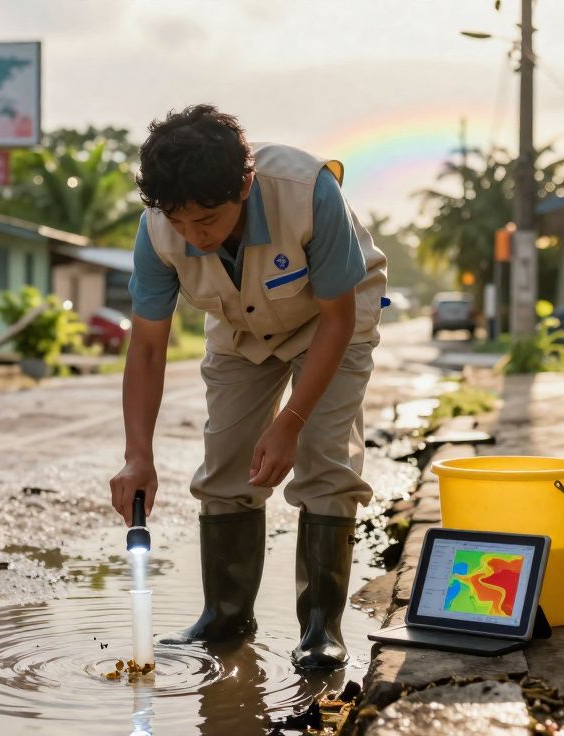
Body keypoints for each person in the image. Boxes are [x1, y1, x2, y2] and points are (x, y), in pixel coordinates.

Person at [108, 104, 388, 669]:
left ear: (246, 184)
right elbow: (146, 347)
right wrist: (138, 455)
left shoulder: (308, 191)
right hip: (241, 329)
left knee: (324, 462)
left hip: (332, 321)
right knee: (226, 465)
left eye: (206, 220)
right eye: (179, 222)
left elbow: (337, 320)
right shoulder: (160, 229)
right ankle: (227, 614)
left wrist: (290, 423)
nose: (193, 236)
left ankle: (320, 627)